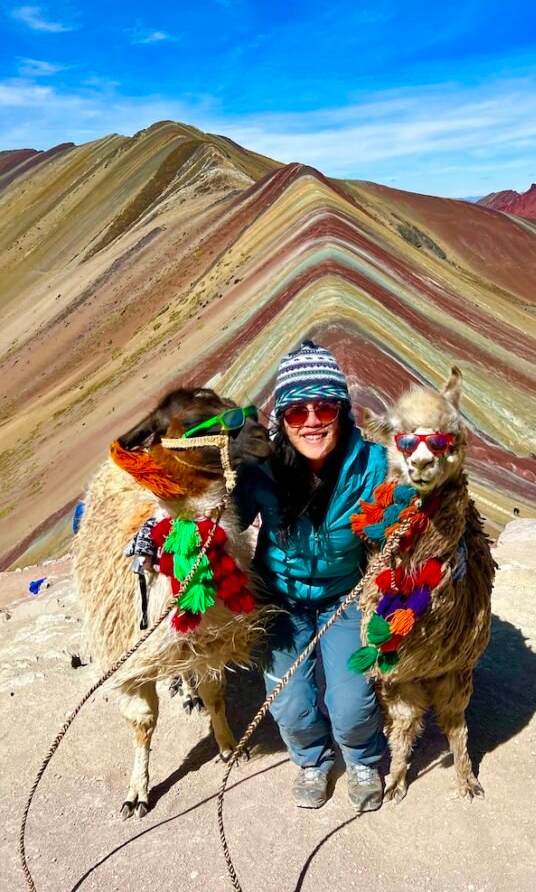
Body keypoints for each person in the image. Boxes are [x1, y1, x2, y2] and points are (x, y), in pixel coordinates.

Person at [235, 340, 388, 812]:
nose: (312, 420)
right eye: (297, 411)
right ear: (281, 420)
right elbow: (225, 520)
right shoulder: (262, 470)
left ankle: (362, 758)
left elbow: (398, 518)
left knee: (352, 702)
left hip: (345, 596)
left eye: (324, 407)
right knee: (290, 703)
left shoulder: (374, 466)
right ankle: (312, 759)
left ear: (342, 411)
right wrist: (224, 473)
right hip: (280, 598)